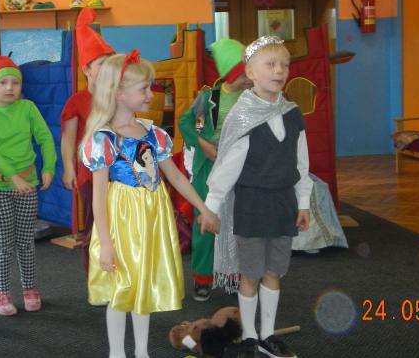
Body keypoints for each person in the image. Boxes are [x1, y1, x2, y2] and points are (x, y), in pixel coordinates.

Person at [80, 51, 220, 358]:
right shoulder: (105, 139)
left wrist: (204, 208)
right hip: (122, 221)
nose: (150, 94)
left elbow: (176, 177)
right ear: (119, 93)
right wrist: (105, 244)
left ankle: (141, 352)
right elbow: (99, 197)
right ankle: (117, 353)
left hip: (152, 219)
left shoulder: (154, 134)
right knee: (122, 288)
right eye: (143, 88)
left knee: (142, 285)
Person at [206, 36, 312, 358]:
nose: (279, 71)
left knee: (273, 272)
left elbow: (301, 164)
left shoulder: (293, 113)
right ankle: (250, 337)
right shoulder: (242, 116)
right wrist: (211, 207)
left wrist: (303, 203)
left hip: (283, 204)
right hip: (252, 207)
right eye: (271, 64)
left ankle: (267, 335)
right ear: (250, 73)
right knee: (250, 274)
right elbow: (227, 168)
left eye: (285, 65)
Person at [0, 55, 56, 316]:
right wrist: (13, 177)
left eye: (15, 82)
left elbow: (45, 138)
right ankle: (2, 292)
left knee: (25, 241)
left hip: (27, 185)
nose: (10, 87)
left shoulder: (28, 108)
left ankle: (30, 288)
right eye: (3, 82)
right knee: (3, 243)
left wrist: (49, 167)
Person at [178, 38, 252, 301]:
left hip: (242, 167)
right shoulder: (208, 99)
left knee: (238, 223)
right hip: (208, 166)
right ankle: (203, 278)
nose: (249, 79)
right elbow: (188, 124)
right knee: (206, 220)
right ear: (231, 75)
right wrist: (204, 145)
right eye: (243, 75)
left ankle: (234, 274)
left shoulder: (253, 99)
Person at [60, 7, 115, 272]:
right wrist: (69, 168)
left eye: (111, 65)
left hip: (119, 173)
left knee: (117, 225)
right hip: (90, 175)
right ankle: (94, 278)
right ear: (87, 70)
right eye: (102, 65)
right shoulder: (77, 102)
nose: (107, 71)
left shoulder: (118, 98)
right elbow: (68, 138)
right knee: (94, 226)